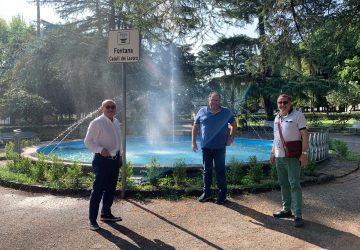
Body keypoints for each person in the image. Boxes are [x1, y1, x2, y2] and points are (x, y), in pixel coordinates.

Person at [270, 94, 309, 228]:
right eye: (280, 102)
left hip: (293, 156)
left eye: (285, 102)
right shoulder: (277, 117)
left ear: (290, 103)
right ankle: (286, 209)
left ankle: (298, 215)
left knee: (294, 184)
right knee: (283, 183)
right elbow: (276, 137)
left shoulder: (298, 115)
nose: (282, 105)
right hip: (279, 156)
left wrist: (304, 153)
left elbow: (304, 135)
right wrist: (272, 153)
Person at [192, 91, 237, 204]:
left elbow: (234, 125)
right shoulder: (202, 111)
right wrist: (193, 142)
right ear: (209, 100)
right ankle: (206, 193)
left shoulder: (225, 112)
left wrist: (231, 137)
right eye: (213, 100)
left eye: (217, 100)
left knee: (220, 171)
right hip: (206, 147)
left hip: (220, 147)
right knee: (207, 171)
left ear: (219, 101)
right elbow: (196, 127)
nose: (215, 102)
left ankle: (222, 195)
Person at [84, 99, 123, 231]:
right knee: (98, 190)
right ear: (102, 108)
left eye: (113, 107)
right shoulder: (97, 123)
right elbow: (87, 142)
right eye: (108, 107)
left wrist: (121, 155)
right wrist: (100, 150)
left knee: (110, 188)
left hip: (115, 159)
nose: (111, 109)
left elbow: (118, 140)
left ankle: (106, 214)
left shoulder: (116, 121)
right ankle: (92, 220)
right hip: (102, 160)